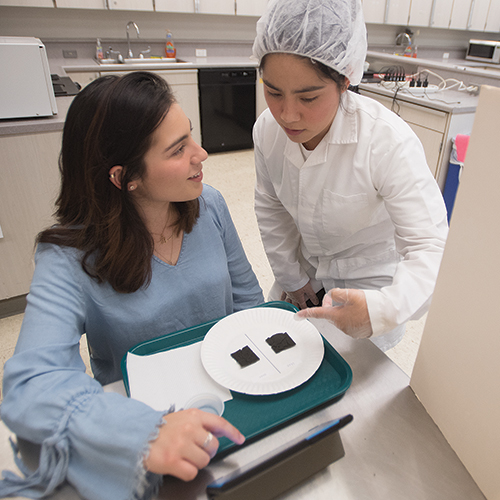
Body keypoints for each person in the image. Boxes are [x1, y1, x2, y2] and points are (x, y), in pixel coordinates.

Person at [0, 72, 264, 500]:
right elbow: (32, 385)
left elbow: (249, 305)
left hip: (228, 400)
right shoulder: (69, 256)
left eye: (190, 137)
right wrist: (143, 432)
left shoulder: (209, 204)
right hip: (142, 429)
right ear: (125, 178)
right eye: (178, 150)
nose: (201, 155)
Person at [252, 0, 448, 351]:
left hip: (369, 286)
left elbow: (429, 246)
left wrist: (384, 310)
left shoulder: (387, 142)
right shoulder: (267, 130)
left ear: (345, 80)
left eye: (308, 97)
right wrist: (292, 279)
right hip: (306, 273)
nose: (287, 114)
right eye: (273, 92)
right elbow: (272, 208)